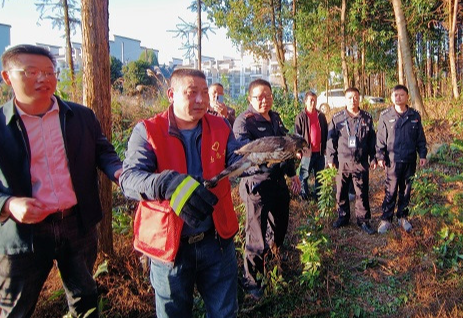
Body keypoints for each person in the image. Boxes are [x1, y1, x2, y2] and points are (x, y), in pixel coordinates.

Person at [0, 44, 123, 318]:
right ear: (8, 77)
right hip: (19, 235)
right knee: (16, 311)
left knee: (85, 300)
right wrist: (7, 204)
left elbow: (104, 152)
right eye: (31, 72)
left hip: (77, 226)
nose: (44, 78)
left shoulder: (81, 116)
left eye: (49, 71)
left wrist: (121, 174)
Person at [120, 68, 242, 318]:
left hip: (216, 241)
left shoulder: (220, 126)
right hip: (171, 250)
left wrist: (263, 156)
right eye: (191, 93)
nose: (201, 100)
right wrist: (166, 183)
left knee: (225, 312)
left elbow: (236, 158)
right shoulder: (148, 131)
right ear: (171, 94)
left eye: (204, 93)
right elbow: (130, 179)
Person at [233, 79, 301, 300]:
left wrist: (292, 174)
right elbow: (244, 155)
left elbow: (287, 147)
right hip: (257, 186)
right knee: (255, 235)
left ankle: (272, 262)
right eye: (260, 97)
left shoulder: (275, 118)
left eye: (268, 96)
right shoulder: (244, 122)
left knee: (279, 226)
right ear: (250, 99)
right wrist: (269, 159)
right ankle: (252, 281)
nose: (265, 100)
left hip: (278, 183)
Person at [375, 85, 428, 234]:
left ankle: (403, 217)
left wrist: (422, 154)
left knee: (406, 191)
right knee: (390, 190)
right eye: (395, 95)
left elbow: (420, 138)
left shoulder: (414, 116)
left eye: (401, 95)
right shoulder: (385, 116)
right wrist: (380, 156)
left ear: (407, 97)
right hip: (393, 161)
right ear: (391, 97)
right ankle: (386, 219)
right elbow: (380, 139)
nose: (398, 98)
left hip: (409, 159)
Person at [326, 87, 377, 235]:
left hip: (360, 161)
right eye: (349, 97)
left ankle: (363, 220)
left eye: (355, 97)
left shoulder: (367, 118)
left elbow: (372, 140)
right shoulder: (337, 118)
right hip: (343, 161)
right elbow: (331, 141)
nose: (353, 100)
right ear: (345, 99)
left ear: (359, 98)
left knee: (361, 192)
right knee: (341, 191)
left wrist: (373, 158)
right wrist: (331, 158)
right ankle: (343, 216)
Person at [294, 91, 328, 200]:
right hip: (306, 152)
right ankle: (304, 196)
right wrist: (298, 151)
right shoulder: (301, 117)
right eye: (311, 100)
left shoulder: (321, 116)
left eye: (315, 100)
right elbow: (297, 135)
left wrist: (326, 148)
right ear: (305, 102)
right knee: (304, 175)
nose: (313, 103)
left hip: (320, 152)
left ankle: (318, 196)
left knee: (320, 176)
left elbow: (326, 133)